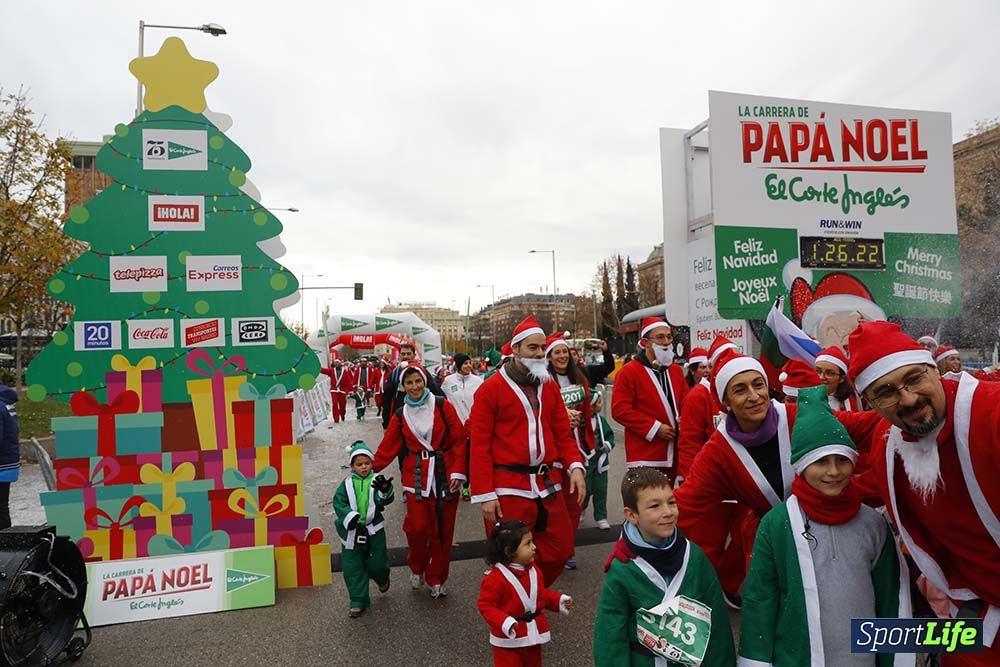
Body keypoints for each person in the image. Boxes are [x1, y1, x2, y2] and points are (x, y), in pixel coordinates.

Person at [674, 348, 883, 603]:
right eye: (740, 390)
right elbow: (684, 505)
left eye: (758, 385)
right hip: (773, 543)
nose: (754, 396)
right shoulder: (718, 452)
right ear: (725, 401)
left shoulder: (798, 416)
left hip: (831, 532)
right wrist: (634, 546)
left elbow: (867, 427)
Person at [847, 321, 1000, 664]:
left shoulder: (992, 415)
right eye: (886, 392)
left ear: (935, 369)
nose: (909, 399)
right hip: (973, 617)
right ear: (869, 402)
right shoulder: (888, 446)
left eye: (914, 379)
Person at [739, 385, 911, 666]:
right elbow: (761, 601)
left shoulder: (872, 523)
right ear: (802, 466)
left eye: (842, 460)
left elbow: (890, 598)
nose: (833, 471)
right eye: (820, 462)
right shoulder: (776, 524)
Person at [468, 315, 586, 586]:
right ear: (516, 349)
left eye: (542, 347)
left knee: (560, 549)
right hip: (509, 486)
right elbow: (480, 444)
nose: (540, 353)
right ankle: (516, 606)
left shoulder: (548, 385)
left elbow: (561, 433)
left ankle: (533, 592)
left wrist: (575, 466)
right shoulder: (491, 389)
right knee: (510, 556)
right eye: (533, 347)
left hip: (547, 484)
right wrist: (486, 494)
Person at [594, 468, 735, 666]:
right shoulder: (622, 568)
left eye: (671, 502)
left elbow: (717, 625)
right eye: (654, 506)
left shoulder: (694, 558)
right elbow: (610, 637)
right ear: (632, 515)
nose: (667, 512)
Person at [373, 364, 465, 598]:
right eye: (409, 383)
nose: (414, 387)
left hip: (445, 475)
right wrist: (366, 469)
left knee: (442, 532)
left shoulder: (443, 406)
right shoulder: (400, 414)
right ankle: (417, 565)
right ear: (403, 387)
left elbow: (458, 440)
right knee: (417, 528)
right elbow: (388, 446)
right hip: (415, 476)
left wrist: (458, 471)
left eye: (418, 381)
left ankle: (437, 578)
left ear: (425, 382)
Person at [477, 520, 573, 667]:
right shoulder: (495, 579)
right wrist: (505, 622)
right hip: (508, 640)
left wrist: (557, 600)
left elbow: (539, 595)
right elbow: (485, 605)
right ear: (509, 551)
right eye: (528, 544)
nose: (534, 547)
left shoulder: (534, 570)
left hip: (532, 634)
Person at [611, 317, 689, 480]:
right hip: (645, 453)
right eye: (660, 337)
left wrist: (685, 418)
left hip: (675, 452)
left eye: (669, 337)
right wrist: (655, 428)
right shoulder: (628, 372)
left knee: (668, 502)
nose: (666, 342)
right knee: (646, 504)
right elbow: (620, 410)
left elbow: (685, 402)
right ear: (646, 342)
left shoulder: (675, 371)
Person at [546, 332, 595, 570]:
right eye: (557, 352)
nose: (563, 356)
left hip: (577, 447)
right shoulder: (544, 383)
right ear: (549, 357)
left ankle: (568, 547)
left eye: (565, 351)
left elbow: (587, 413)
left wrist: (591, 443)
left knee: (576, 502)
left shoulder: (581, 379)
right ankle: (559, 547)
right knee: (558, 502)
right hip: (555, 450)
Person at [333, 441, 395, 617]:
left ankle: (382, 578)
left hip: (373, 528)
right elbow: (339, 503)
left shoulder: (377, 480)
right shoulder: (345, 485)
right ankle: (358, 600)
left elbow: (385, 499)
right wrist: (349, 517)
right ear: (352, 466)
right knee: (352, 566)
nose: (364, 467)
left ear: (372, 463)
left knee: (378, 562)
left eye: (367, 463)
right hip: (351, 531)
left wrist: (385, 490)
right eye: (359, 464)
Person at [381, 342, 444, 430]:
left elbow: (434, 389)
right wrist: (386, 422)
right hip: (401, 413)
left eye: (408, 354)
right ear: (399, 355)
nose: (406, 356)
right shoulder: (395, 373)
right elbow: (387, 397)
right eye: (403, 354)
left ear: (414, 355)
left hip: (421, 413)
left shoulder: (422, 371)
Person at [583, 387, 615, 530]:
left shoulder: (601, 421)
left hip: (600, 460)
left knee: (601, 489)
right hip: (585, 460)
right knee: (586, 488)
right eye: (598, 402)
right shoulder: (581, 421)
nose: (601, 405)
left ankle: (601, 516)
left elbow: (609, 435)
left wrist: (608, 444)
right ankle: (581, 510)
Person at [815, 345, 863, 411]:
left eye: (829, 373)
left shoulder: (850, 400)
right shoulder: (804, 398)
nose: (821, 377)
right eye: (818, 371)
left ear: (841, 379)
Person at [441, 352, 484, 424]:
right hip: (455, 424)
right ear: (458, 365)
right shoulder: (448, 381)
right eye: (465, 363)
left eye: (470, 363)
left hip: (473, 423)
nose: (469, 366)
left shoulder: (478, 381)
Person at [0, 384, 19, 530]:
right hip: (9, 463)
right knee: (2, 507)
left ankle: (5, 543)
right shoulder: (6, 404)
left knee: (1, 510)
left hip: (2, 464)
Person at [321, 359, 355, 423]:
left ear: (340, 363)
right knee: (335, 404)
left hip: (342, 390)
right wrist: (317, 367)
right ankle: (336, 419)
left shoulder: (344, 371)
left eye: (337, 363)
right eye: (335, 363)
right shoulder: (331, 370)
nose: (336, 364)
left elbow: (348, 381)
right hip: (334, 390)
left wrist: (351, 390)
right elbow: (323, 371)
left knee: (343, 404)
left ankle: (342, 414)